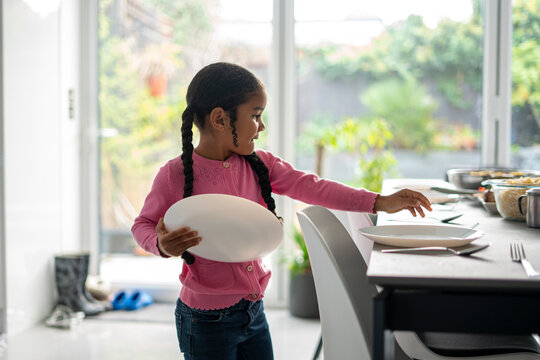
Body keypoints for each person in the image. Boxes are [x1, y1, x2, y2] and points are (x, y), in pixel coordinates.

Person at [131, 62, 432, 360]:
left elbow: (315, 187)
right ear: (220, 119)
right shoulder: (174, 175)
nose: (261, 127)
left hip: (253, 310)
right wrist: (160, 244)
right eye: (256, 115)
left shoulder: (261, 164)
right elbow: (142, 225)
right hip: (204, 320)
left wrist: (380, 201)